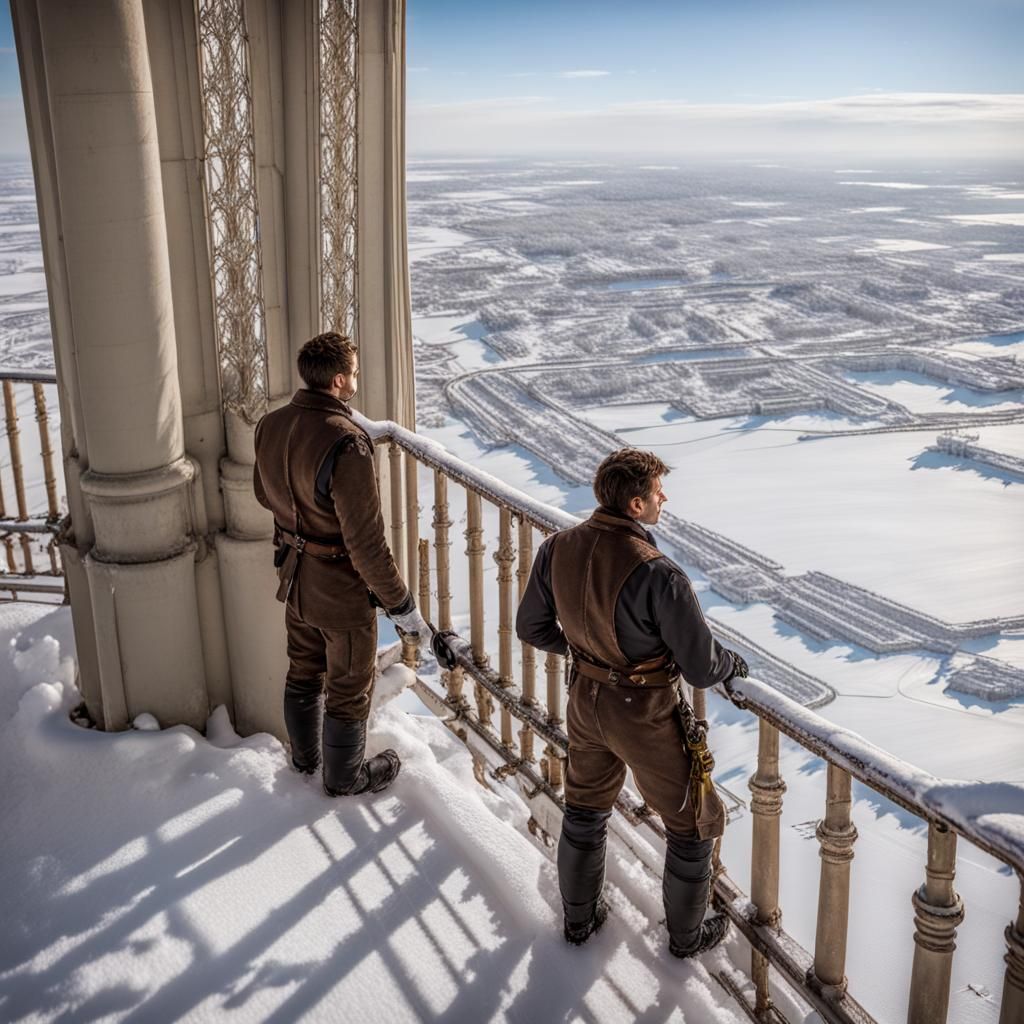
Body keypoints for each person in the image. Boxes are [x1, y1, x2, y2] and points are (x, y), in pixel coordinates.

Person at [516, 447, 748, 957]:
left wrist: (584, 651)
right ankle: (686, 940)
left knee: (585, 809)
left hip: (585, 700)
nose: (666, 498)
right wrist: (734, 663)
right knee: (693, 820)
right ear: (638, 505)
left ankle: (579, 924)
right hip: (643, 712)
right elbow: (702, 666)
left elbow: (530, 627)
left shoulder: (557, 547)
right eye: (659, 491)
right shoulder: (658, 573)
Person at [253, 332, 429, 797]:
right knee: (350, 687)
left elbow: (261, 493)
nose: (355, 378)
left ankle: (304, 762)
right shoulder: (347, 442)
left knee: (304, 669)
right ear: (338, 381)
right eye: (352, 371)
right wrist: (403, 608)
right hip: (338, 590)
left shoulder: (270, 425)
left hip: (294, 578)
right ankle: (344, 779)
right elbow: (367, 545)